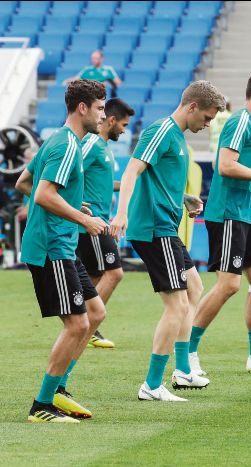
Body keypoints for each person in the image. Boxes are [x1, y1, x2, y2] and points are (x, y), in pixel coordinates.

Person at [111, 81, 226, 402]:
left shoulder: (176, 137)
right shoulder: (161, 131)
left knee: (194, 288)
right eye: (206, 117)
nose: (207, 124)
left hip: (165, 227)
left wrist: (185, 198)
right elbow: (132, 171)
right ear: (192, 106)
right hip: (154, 228)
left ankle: (184, 369)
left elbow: (156, 178)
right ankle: (151, 384)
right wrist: (121, 213)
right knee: (177, 305)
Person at [188, 72, 251, 377]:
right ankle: (186, 350)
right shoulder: (239, 122)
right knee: (229, 285)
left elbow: (234, 165)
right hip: (229, 215)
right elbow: (224, 166)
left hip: (246, 215)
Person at [16, 80, 108, 423]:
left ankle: (59, 389)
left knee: (95, 313)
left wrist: (68, 203)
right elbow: (42, 194)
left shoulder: (59, 140)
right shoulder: (68, 144)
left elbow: (24, 183)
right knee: (77, 324)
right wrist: (82, 218)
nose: (103, 115)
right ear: (82, 108)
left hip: (63, 245)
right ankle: (42, 405)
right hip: (52, 246)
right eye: (100, 108)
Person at [75, 98, 135, 349]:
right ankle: (87, 327)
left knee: (95, 276)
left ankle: (82, 327)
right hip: (92, 223)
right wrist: (73, 204)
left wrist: (131, 185)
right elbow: (69, 170)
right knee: (114, 273)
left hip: (96, 222)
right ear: (111, 121)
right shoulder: (91, 143)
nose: (124, 130)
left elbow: (103, 183)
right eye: (123, 125)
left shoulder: (103, 147)